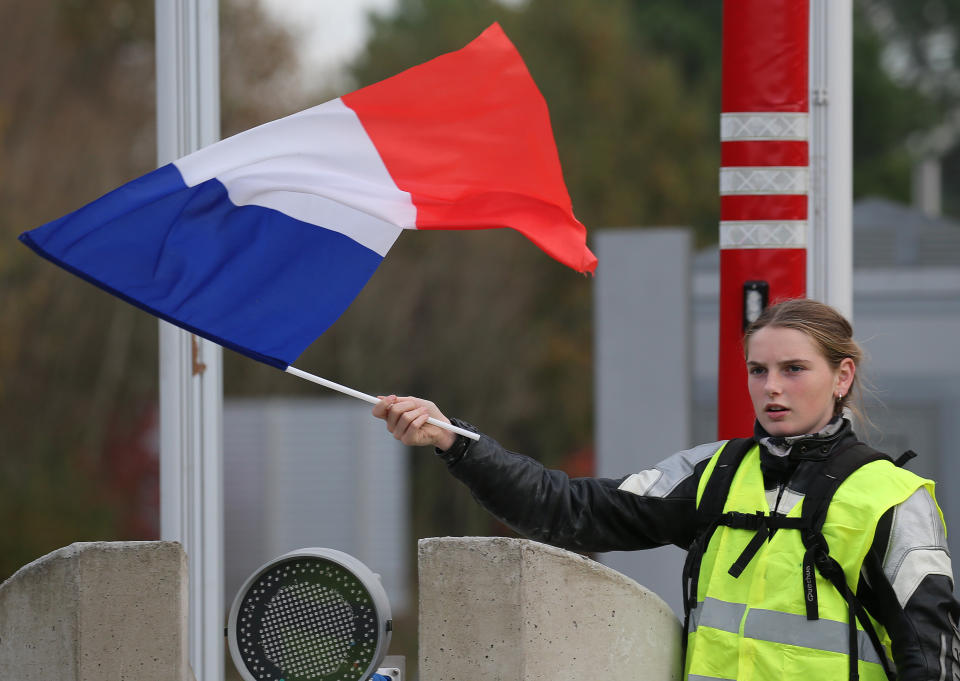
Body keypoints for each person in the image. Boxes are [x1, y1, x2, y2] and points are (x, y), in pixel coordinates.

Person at [372, 298, 959, 681]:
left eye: (793, 369)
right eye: (758, 370)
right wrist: (455, 442)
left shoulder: (893, 497)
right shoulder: (715, 474)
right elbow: (565, 510)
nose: (771, 388)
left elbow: (931, 659)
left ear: (842, 376)